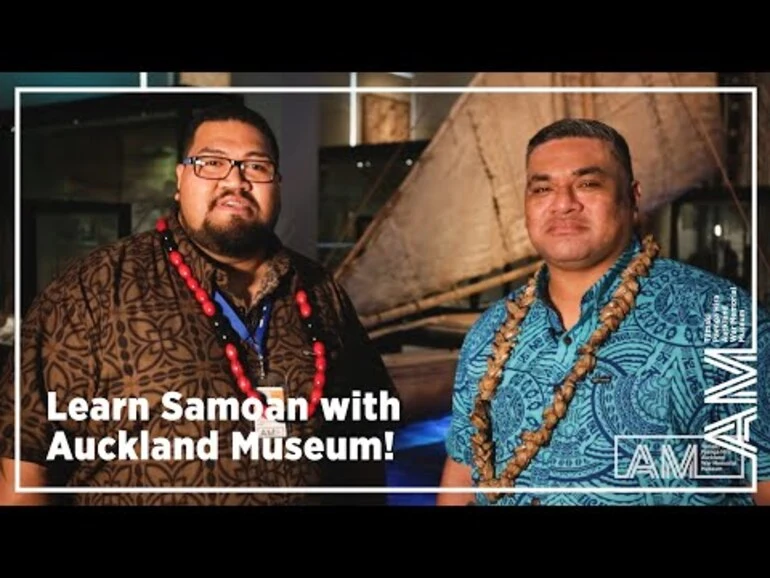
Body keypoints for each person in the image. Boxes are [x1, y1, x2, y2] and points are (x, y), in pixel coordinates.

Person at [0, 101, 399, 505]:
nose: (235, 180)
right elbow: (24, 465)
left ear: (277, 183)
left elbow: (364, 448)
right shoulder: (94, 288)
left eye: (256, 166)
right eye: (211, 162)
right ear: (180, 180)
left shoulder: (321, 292)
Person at [438, 118, 770, 506]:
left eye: (587, 184)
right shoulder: (489, 331)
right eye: (542, 188)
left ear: (632, 197)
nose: (563, 203)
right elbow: (461, 476)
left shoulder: (723, 318)